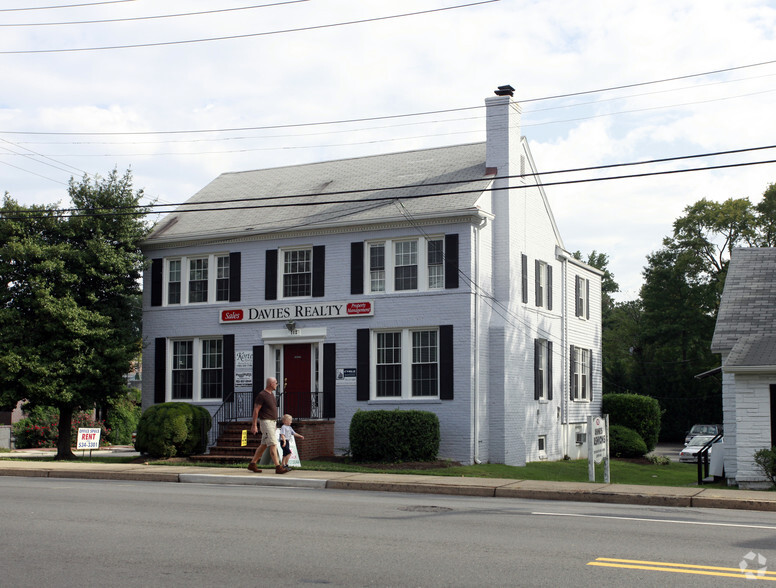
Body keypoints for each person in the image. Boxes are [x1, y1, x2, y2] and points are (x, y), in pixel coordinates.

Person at [247, 377, 289, 474]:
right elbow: (256, 410)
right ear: (271, 384)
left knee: (264, 445)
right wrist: (254, 425)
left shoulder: (271, 395)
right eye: (276, 383)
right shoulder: (262, 395)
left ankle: (252, 464)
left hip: (271, 422)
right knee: (273, 444)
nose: (277, 385)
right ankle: (278, 467)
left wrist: (274, 423)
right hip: (266, 422)